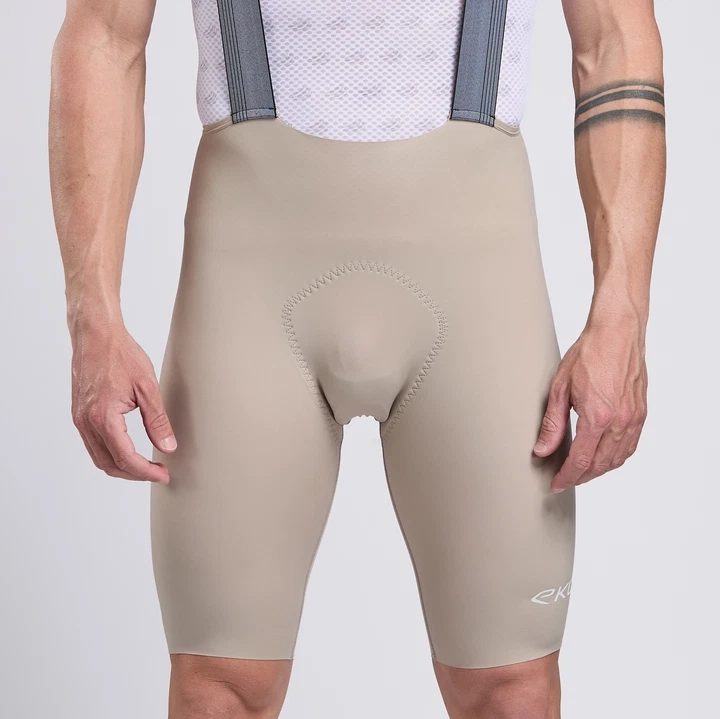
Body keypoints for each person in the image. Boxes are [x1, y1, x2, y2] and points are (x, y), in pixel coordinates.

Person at [49, 0, 665, 717]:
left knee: (512, 692)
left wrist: (623, 313)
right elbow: (104, 35)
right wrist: (92, 317)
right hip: (249, 278)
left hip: (477, 281)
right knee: (219, 688)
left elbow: (614, 38)